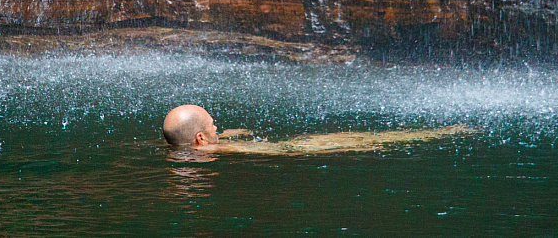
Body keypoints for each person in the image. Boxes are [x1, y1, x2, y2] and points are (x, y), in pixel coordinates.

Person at [162, 104, 470, 154]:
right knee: (370, 140)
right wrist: (343, 144)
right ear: (201, 139)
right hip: (307, 147)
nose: (220, 128)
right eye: (214, 127)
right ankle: (443, 132)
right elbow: (286, 151)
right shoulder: (226, 152)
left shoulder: (184, 152)